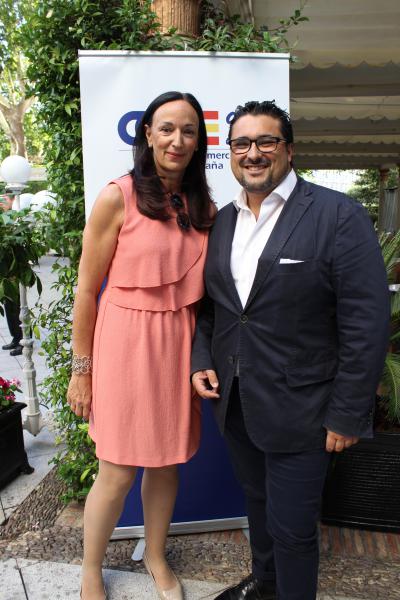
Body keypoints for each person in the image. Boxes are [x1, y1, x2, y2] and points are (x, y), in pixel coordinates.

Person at [191, 100, 390, 600]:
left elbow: (365, 323)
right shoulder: (223, 221)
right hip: (236, 403)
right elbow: (214, 308)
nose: (253, 153)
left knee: (294, 529)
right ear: (230, 152)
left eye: (266, 141)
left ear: (289, 150)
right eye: (242, 143)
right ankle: (265, 584)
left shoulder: (337, 215)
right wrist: (201, 360)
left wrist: (347, 414)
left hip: (305, 411)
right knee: (257, 505)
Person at [67, 91, 215, 600]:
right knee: (117, 469)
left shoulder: (203, 206)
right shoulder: (118, 196)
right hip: (124, 342)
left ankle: (155, 554)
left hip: (177, 342)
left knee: (166, 462)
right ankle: (90, 569)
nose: (178, 140)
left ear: (199, 141)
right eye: (167, 128)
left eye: (189, 130)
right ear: (148, 133)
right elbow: (86, 289)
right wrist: (81, 369)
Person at [0, 194, 23, 356]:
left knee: (18, 307)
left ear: (12, 200)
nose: (1, 203)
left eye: (4, 200)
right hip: (4, 274)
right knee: (8, 307)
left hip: (14, 272)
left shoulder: (15, 219)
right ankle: (16, 337)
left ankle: (23, 340)